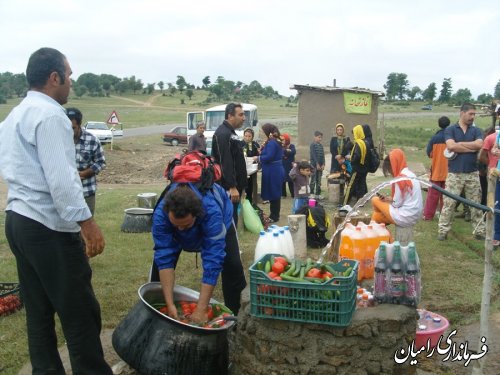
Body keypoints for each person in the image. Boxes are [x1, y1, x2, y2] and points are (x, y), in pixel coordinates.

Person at [0, 48, 111, 374]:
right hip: (46, 226)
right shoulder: (51, 116)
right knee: (80, 314)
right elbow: (62, 181)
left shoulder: (14, 116)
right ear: (54, 78)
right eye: (69, 75)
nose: (71, 82)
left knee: (38, 311)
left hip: (18, 220)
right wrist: (88, 224)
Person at [151, 183, 246, 320]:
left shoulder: (211, 212)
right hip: (173, 223)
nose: (181, 230)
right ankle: (157, 315)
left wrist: (201, 309)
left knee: (233, 266)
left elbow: (213, 261)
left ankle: (236, 320)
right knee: (158, 270)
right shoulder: (161, 215)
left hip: (221, 221)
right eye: (176, 225)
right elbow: (164, 256)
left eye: (186, 225)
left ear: (197, 215)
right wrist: (170, 303)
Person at [437, 103, 486, 241]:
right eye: (471, 114)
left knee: (476, 204)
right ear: (462, 113)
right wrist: (471, 148)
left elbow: (479, 145)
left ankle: (479, 231)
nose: (473, 116)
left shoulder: (476, 130)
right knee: (449, 204)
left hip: (472, 173)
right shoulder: (450, 130)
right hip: (455, 173)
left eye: (474, 114)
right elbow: (451, 146)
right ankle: (443, 231)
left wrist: (459, 145)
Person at [212, 103, 248, 225]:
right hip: (228, 188)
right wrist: (232, 187)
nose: (244, 118)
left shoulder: (231, 133)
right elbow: (225, 161)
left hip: (235, 186)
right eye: (241, 115)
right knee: (229, 222)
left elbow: (236, 159)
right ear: (230, 116)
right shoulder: (223, 134)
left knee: (234, 219)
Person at [67, 107, 106, 215]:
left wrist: (83, 174)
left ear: (79, 125)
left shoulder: (92, 140)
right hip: (65, 193)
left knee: (86, 228)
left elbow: (100, 162)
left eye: (73, 128)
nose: (69, 131)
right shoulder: (58, 140)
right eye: (66, 127)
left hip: (86, 192)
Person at [371, 149, 423, 227]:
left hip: (404, 217)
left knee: (374, 200)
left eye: (390, 168)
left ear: (395, 164)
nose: (390, 171)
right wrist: (389, 199)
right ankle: (387, 237)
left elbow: (396, 204)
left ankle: (377, 235)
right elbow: (405, 198)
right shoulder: (411, 174)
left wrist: (388, 202)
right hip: (414, 215)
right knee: (376, 216)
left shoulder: (400, 179)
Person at [253, 123, 285, 223]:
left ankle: (275, 216)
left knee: (274, 193)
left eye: (263, 131)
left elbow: (269, 156)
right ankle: (274, 214)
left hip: (273, 170)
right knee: (274, 192)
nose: (261, 133)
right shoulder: (273, 141)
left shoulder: (272, 142)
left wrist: (258, 158)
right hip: (273, 169)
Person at [423, 116, 450, 221]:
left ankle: (428, 215)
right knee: (446, 196)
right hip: (449, 172)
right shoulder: (452, 137)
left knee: (432, 196)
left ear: (439, 124)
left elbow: (429, 154)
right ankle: (445, 216)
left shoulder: (434, 138)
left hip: (436, 171)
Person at [479, 126, 500, 246]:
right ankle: (496, 235)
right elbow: (491, 151)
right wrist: (495, 152)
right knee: (495, 204)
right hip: (496, 174)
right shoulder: (496, 136)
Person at [343, 125, 369, 206]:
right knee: (361, 185)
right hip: (363, 168)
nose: (354, 135)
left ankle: (345, 202)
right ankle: (360, 202)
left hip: (357, 168)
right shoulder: (365, 142)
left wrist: (351, 158)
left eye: (354, 133)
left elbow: (357, 156)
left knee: (351, 185)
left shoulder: (358, 143)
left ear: (357, 133)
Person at [241, 127, 260, 205]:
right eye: (246, 136)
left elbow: (258, 155)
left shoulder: (255, 144)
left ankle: (251, 202)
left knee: (251, 187)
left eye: (249, 136)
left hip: (252, 169)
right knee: (243, 187)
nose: (247, 138)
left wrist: (255, 158)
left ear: (252, 136)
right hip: (242, 169)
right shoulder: (240, 144)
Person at [309, 130, 325, 199]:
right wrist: (317, 164)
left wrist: (323, 164)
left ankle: (318, 194)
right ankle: (311, 193)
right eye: (319, 137)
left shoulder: (321, 146)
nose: (320, 139)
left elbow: (323, 156)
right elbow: (314, 155)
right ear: (314, 137)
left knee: (319, 180)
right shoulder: (312, 145)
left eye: (321, 137)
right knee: (313, 180)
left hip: (320, 166)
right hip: (314, 165)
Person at [281, 133, 296, 198]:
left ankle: (293, 194)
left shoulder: (292, 145)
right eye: (281, 140)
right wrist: (286, 151)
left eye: (283, 140)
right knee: (282, 181)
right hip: (282, 166)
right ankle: (283, 194)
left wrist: (286, 151)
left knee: (291, 180)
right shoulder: (281, 146)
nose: (282, 141)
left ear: (287, 140)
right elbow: (282, 153)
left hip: (290, 166)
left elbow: (293, 152)